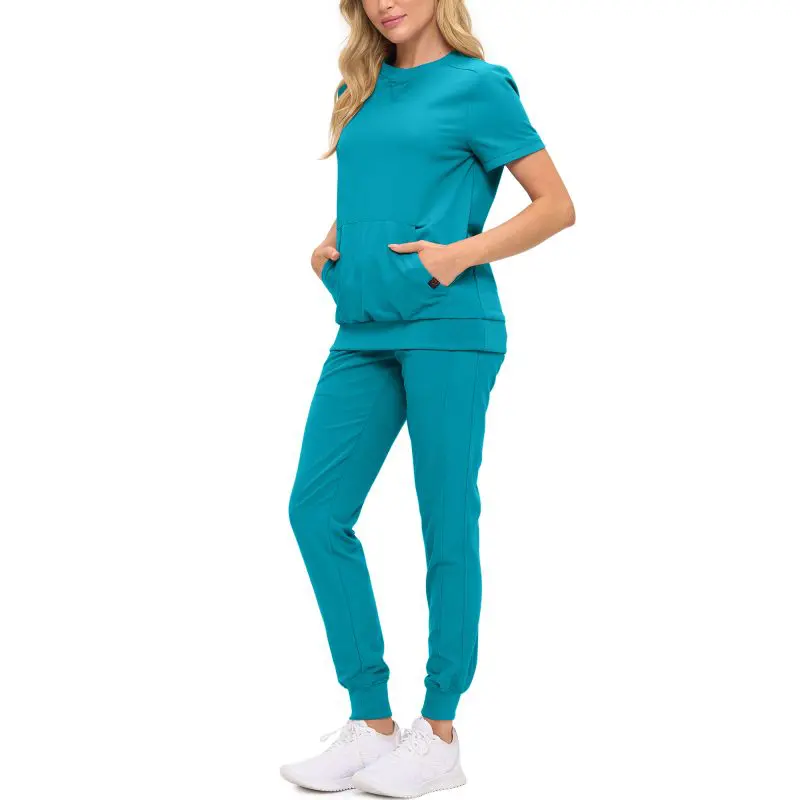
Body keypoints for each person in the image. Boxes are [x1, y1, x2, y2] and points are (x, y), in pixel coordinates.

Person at [281, 1, 574, 795]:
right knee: (316, 511)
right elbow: (381, 185)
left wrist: (458, 254)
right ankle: (372, 719)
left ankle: (438, 731)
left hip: (450, 327)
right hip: (362, 328)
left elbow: (556, 205)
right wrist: (332, 245)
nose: (385, 2)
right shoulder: (357, 87)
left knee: (444, 518)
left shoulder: (479, 86)